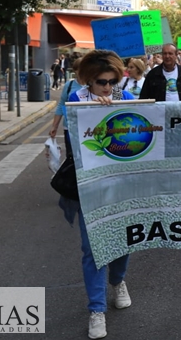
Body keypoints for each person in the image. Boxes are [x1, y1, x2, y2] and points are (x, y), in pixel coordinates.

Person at [61, 50, 135, 339]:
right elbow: (76, 145)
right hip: (89, 187)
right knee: (92, 250)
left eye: (113, 81)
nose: (108, 87)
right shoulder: (76, 103)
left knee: (123, 242)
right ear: (89, 80)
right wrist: (100, 116)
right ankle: (96, 310)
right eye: (102, 82)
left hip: (123, 187)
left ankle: (117, 281)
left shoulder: (126, 99)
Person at [49, 58, 83, 157]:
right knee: (71, 156)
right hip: (70, 127)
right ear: (75, 71)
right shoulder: (69, 85)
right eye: (78, 69)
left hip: (88, 128)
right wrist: (54, 126)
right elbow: (61, 105)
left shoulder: (94, 85)